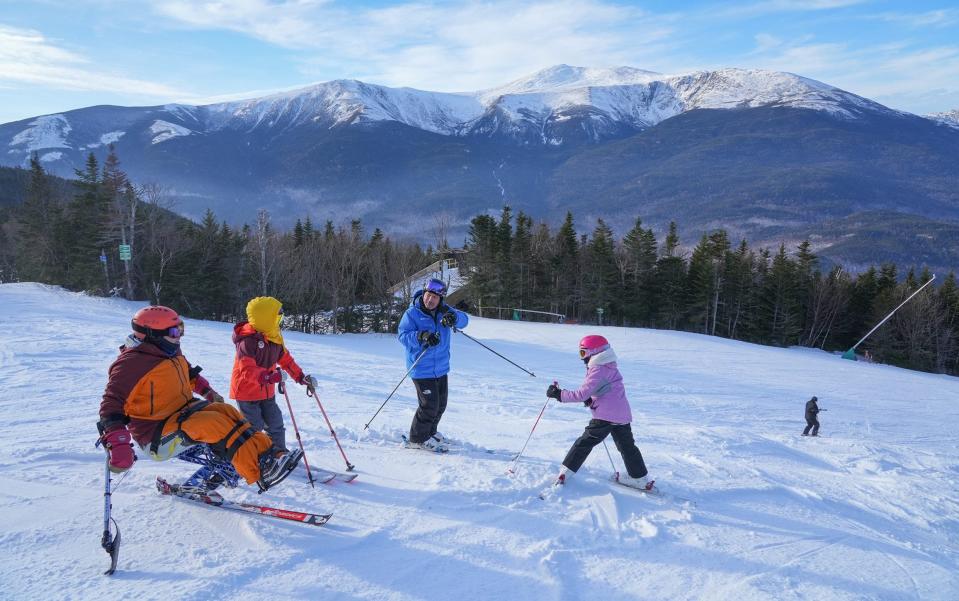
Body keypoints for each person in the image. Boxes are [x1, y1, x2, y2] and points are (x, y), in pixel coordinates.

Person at [97, 305, 301, 493]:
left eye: (181, 329)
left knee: (226, 411)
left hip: (181, 413)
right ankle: (258, 473)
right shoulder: (130, 364)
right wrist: (119, 442)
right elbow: (111, 404)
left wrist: (209, 394)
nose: (180, 337)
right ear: (153, 335)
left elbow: (189, 373)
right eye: (175, 332)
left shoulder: (168, 351)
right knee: (215, 424)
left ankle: (269, 456)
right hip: (156, 434)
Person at [546, 334, 651, 490]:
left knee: (584, 443)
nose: (582, 358)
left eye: (583, 353)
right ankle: (640, 478)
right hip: (621, 414)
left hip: (605, 417)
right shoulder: (609, 365)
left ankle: (564, 473)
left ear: (595, 352)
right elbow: (607, 389)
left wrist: (558, 394)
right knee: (627, 447)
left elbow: (581, 393)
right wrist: (591, 399)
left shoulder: (598, 369)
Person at [230, 296, 317, 458]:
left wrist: (301, 377)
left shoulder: (274, 337)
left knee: (275, 422)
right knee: (254, 426)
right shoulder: (247, 341)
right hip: (247, 392)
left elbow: (286, 361)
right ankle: (252, 455)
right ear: (265, 317)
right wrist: (269, 377)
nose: (280, 318)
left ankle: (278, 452)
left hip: (267, 392)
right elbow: (247, 371)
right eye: (278, 315)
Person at [397, 278, 469, 451]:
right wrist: (421, 336)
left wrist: (454, 317)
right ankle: (417, 439)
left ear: (440, 299)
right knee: (429, 405)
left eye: (435, 298)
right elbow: (402, 335)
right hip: (421, 367)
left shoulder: (445, 311)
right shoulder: (412, 313)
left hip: (441, 367)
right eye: (428, 296)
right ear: (424, 293)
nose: (430, 300)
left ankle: (430, 432)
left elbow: (464, 321)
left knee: (440, 405)